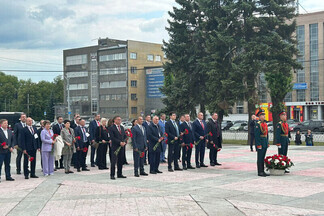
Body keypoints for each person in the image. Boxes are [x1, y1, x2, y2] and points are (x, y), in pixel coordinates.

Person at [255, 109, 269, 177]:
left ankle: (263, 170)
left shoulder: (265, 124)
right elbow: (257, 136)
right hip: (260, 142)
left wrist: (267, 142)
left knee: (263, 157)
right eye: (262, 115)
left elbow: (267, 134)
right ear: (259, 116)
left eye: (264, 115)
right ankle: (260, 171)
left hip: (264, 142)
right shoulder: (257, 125)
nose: (264, 116)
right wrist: (258, 144)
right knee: (260, 157)